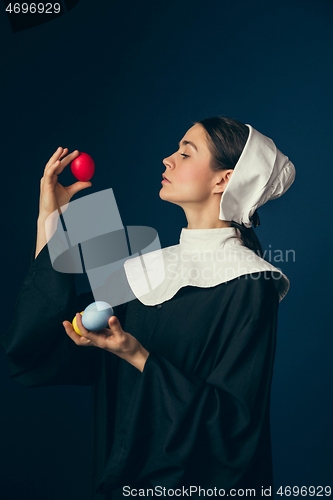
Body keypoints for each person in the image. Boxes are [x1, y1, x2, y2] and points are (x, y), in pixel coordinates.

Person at [0, 116, 295, 499]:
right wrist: (51, 219)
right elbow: (43, 340)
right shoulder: (145, 269)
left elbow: (234, 427)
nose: (167, 160)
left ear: (224, 180)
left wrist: (138, 356)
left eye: (185, 153)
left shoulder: (251, 283)